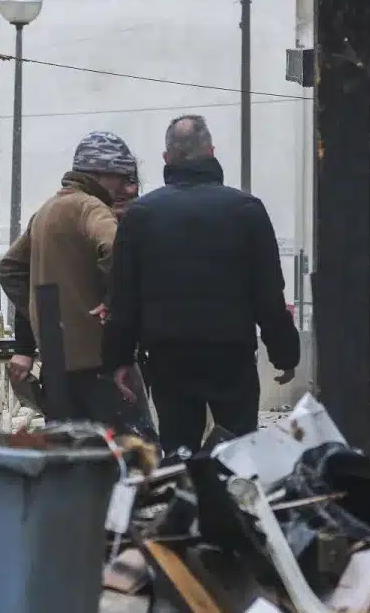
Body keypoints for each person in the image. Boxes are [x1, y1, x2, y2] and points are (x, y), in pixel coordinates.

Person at [104, 114, 300, 453]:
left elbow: (124, 297)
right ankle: (232, 504)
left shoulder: (141, 215)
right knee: (238, 451)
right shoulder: (247, 211)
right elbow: (268, 294)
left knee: (179, 451)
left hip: (169, 358)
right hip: (232, 356)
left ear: (167, 159)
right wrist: (285, 353)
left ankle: (185, 504)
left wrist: (118, 359)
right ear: (211, 151)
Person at [0, 130, 142, 424]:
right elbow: (116, 248)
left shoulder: (46, 210)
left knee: (67, 452)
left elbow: (9, 268)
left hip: (55, 363)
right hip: (99, 362)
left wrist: (42, 314)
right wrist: (113, 301)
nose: (128, 188)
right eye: (121, 177)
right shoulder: (90, 207)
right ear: (100, 174)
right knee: (132, 452)